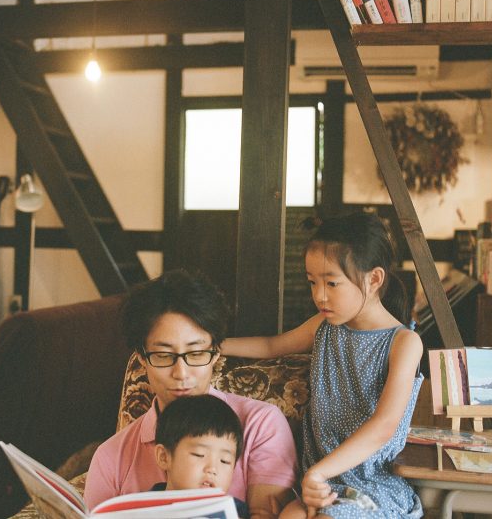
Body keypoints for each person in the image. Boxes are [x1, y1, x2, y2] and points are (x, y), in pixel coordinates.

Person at [221, 212, 424, 518]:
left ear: (374, 278)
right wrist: (209, 345)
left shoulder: (403, 343)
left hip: (371, 488)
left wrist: (317, 473)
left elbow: (383, 427)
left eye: (332, 283)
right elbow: (270, 346)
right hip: (320, 484)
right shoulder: (324, 327)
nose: (319, 295)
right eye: (312, 282)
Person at [84, 269, 297, 518]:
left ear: (216, 352)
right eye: (164, 356)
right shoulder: (112, 456)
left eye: (196, 354)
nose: (181, 373)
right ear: (142, 358)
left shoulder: (260, 424)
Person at [153, 394, 249, 518]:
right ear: (164, 457)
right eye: (199, 454)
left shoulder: (236, 513)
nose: (212, 469)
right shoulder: (139, 507)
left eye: (225, 461)